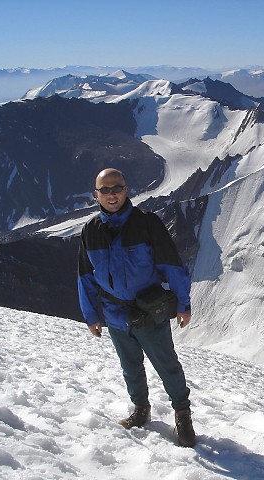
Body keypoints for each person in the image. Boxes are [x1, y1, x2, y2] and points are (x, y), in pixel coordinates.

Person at [77, 168, 196, 447]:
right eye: (104, 190)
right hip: (115, 314)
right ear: (96, 195)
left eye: (116, 187)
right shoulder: (90, 231)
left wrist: (183, 303)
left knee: (167, 365)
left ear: (127, 189)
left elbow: (172, 264)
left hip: (149, 311)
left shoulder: (147, 224)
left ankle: (182, 414)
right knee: (130, 367)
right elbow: (85, 276)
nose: (111, 194)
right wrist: (91, 315)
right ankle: (141, 409)